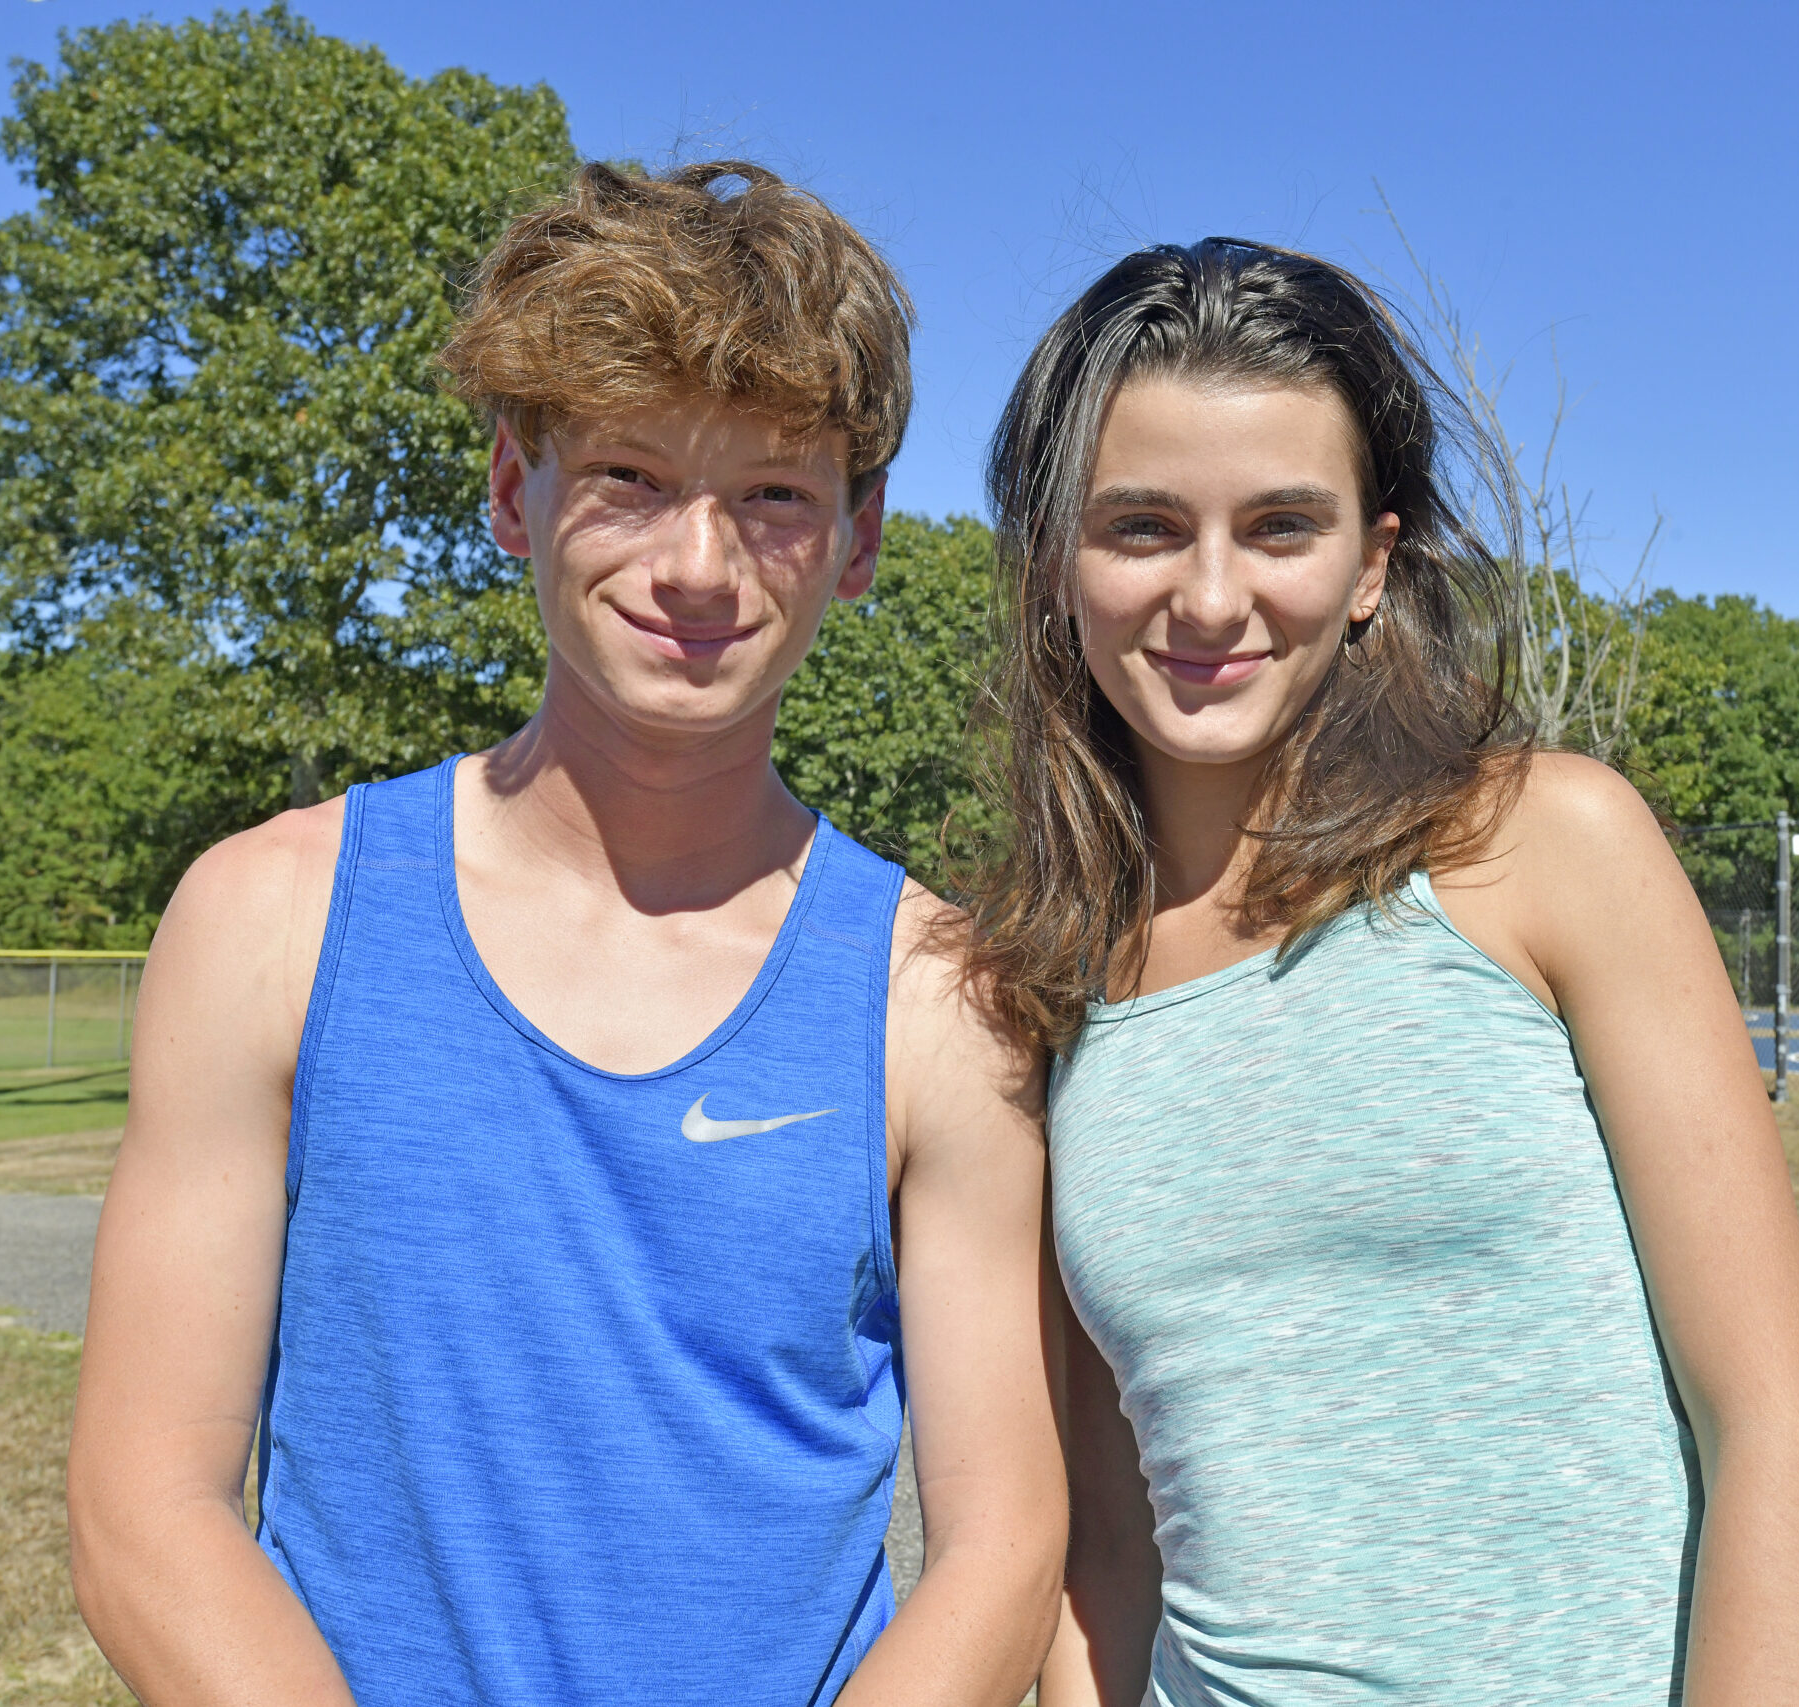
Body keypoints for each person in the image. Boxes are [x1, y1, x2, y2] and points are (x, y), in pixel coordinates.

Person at [67, 161, 1066, 1707]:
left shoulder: (938, 997)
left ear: (859, 546)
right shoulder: (271, 916)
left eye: (774, 495)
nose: (697, 567)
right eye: (630, 478)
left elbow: (1005, 1547)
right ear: (510, 491)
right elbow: (147, 1501)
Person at [962, 239, 1799, 1706]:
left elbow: (1781, 1437)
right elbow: (1106, 1546)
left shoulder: (1545, 846)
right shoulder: (1040, 980)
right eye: (1141, 527)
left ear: (1374, 563)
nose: (1208, 597)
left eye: (1280, 527)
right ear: (1059, 556)